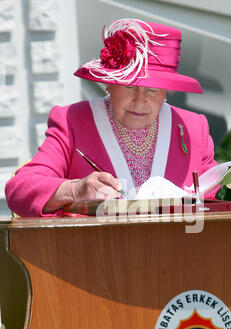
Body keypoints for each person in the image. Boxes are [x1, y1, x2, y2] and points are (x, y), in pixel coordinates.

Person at [5, 18, 218, 217]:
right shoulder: (73, 121)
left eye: (153, 90)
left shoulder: (192, 128)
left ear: (167, 91)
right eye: (128, 86)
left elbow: (219, 200)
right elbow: (20, 189)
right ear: (109, 83)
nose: (140, 100)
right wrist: (75, 190)